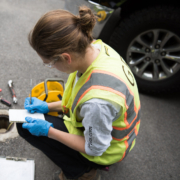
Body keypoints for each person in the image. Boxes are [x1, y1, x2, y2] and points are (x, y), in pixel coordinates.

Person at [17, 6, 141, 180]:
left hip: (107, 150)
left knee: (24, 127)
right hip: (113, 132)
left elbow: (95, 148)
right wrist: (46, 106)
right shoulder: (96, 49)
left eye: (50, 63)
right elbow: (79, 99)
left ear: (66, 57)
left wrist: (49, 131)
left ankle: (83, 172)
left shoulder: (97, 102)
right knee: (28, 121)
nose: (52, 67)